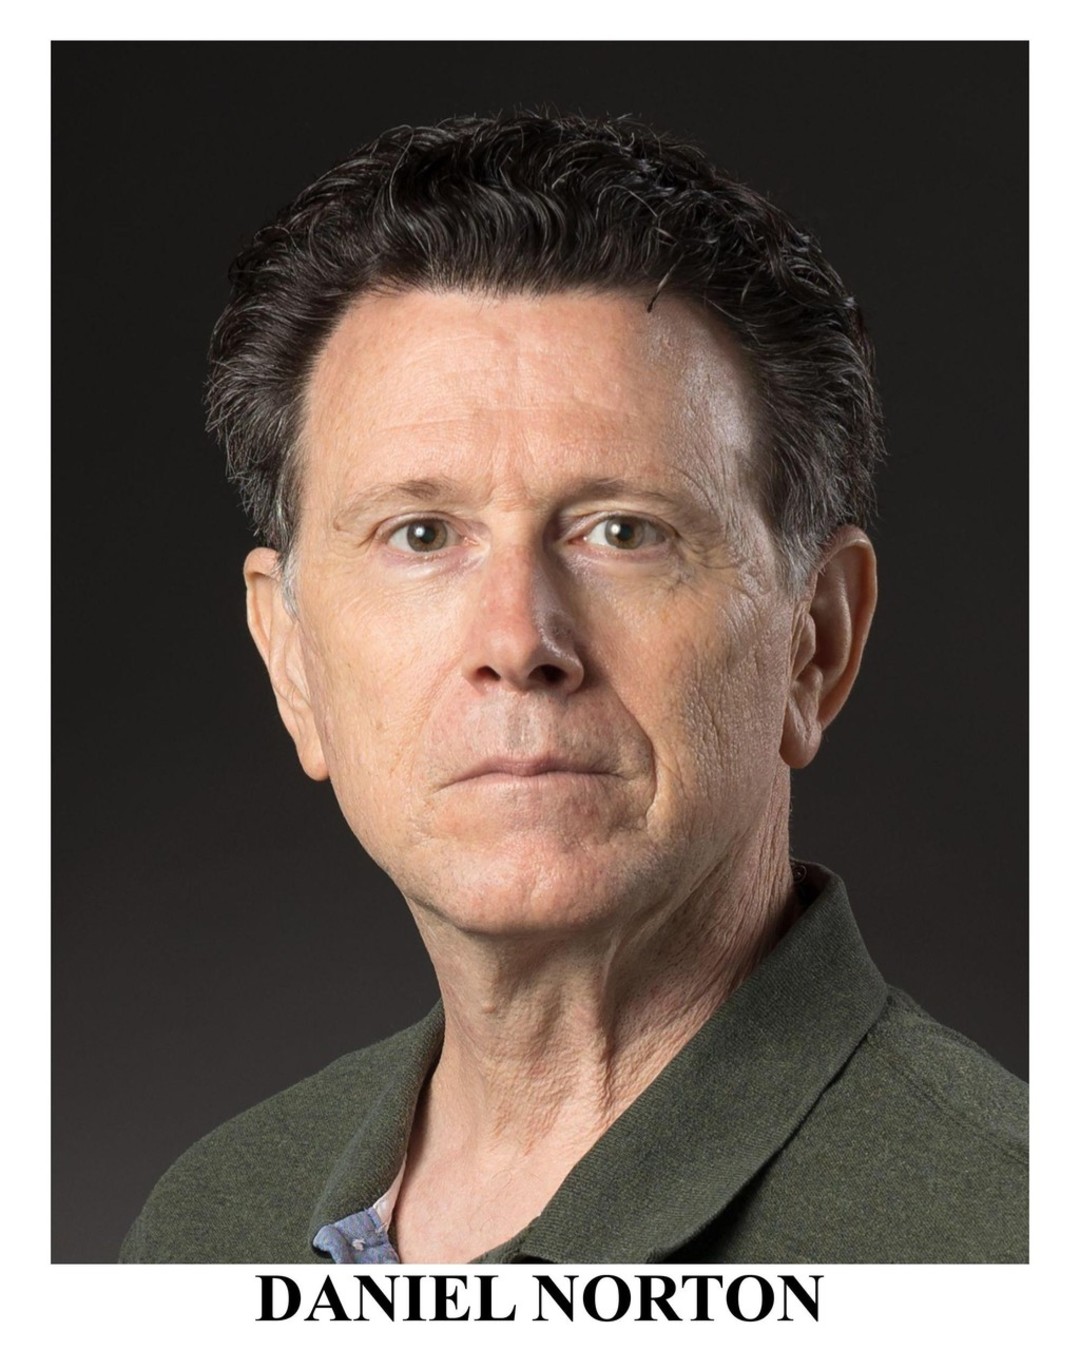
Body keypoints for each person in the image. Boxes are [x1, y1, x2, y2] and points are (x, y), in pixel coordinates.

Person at [120, 111, 1027, 1265]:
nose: (520, 641)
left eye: (623, 531)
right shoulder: (207, 1226)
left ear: (816, 640)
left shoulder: (1009, 1241)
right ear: (291, 657)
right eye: (420, 533)